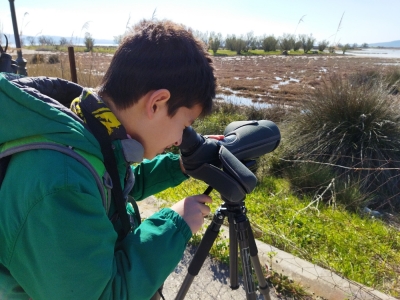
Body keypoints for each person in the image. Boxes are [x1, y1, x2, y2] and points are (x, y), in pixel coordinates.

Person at [0, 19, 217, 299]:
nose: (180, 139)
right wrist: (174, 225)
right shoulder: (60, 181)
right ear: (156, 103)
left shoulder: (89, 126)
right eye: (185, 124)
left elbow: (112, 182)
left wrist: (179, 166)